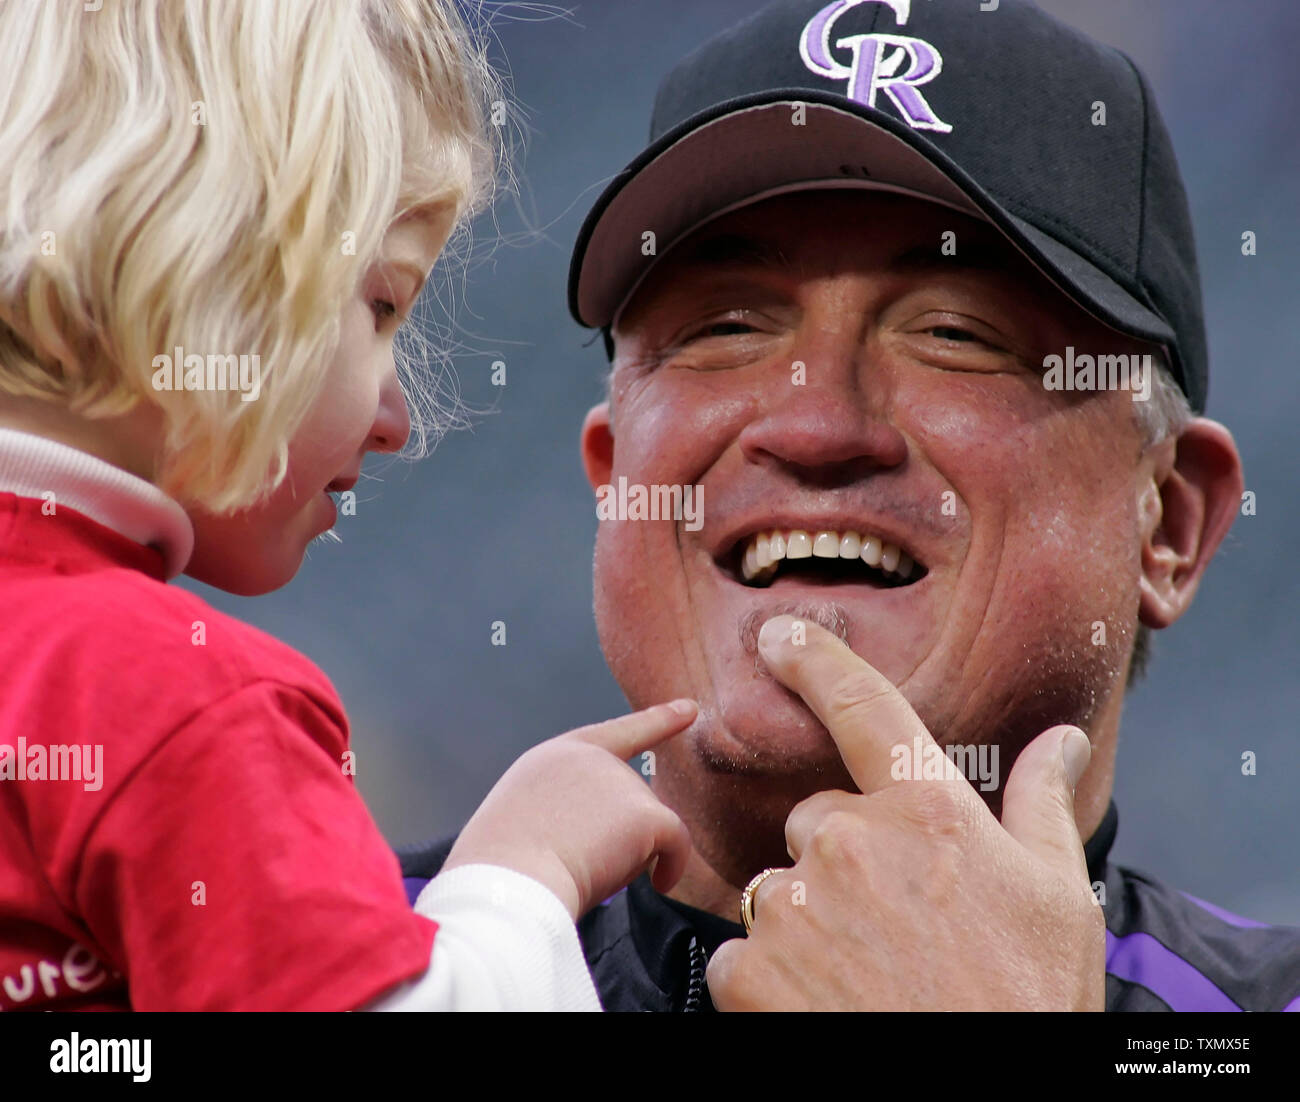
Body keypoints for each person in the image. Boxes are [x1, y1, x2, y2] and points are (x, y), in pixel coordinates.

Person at [400, 0, 1300, 1011]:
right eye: (726, 326)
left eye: (955, 332)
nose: (816, 425)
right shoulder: (321, 962)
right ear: (612, 478)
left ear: (1169, 523)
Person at [0, 0, 695, 1011]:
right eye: (382, 305)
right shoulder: (171, 696)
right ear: (201, 262)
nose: (396, 418)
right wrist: (521, 875)